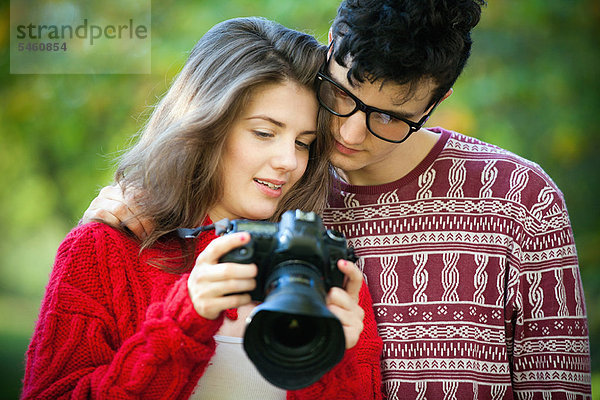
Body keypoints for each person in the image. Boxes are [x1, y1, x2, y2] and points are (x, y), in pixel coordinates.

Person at [79, 1, 593, 399]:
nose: (347, 131)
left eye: (389, 116)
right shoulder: (280, 182)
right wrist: (133, 205)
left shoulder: (518, 197)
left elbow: (558, 384)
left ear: (437, 102)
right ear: (331, 46)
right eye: (342, 91)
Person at [21, 17, 384, 400]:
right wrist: (183, 320)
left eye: (303, 142)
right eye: (264, 133)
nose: (289, 162)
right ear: (205, 126)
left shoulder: (324, 272)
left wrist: (335, 363)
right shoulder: (103, 249)